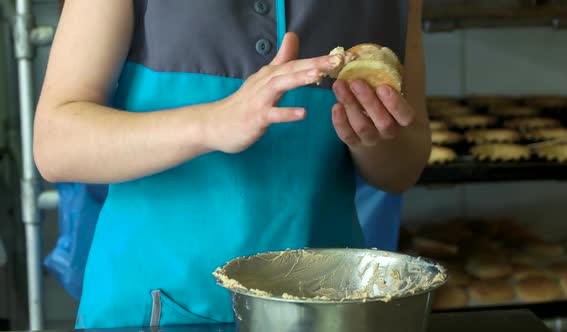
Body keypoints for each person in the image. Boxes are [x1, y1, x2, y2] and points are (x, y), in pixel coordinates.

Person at [34, 0, 430, 328]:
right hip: (150, 308)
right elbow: (56, 143)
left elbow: (402, 170)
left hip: (325, 310)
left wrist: (372, 138)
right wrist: (212, 123)